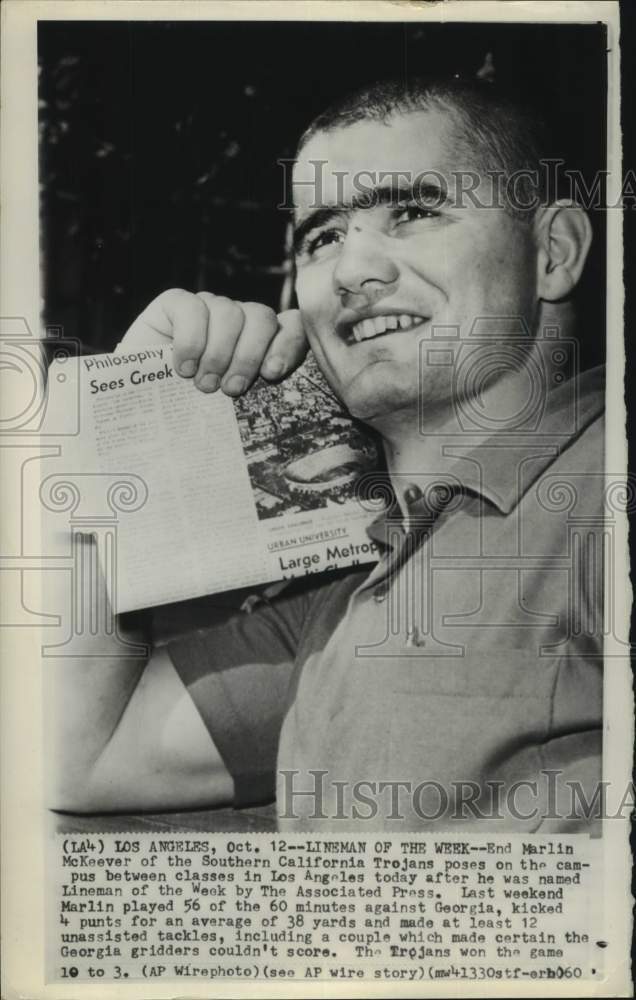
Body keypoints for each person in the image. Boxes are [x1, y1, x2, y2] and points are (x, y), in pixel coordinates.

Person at [48, 77, 604, 830]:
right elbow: (80, 759)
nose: (351, 271)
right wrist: (124, 430)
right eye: (323, 237)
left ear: (553, 251)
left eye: (411, 212)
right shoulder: (345, 591)